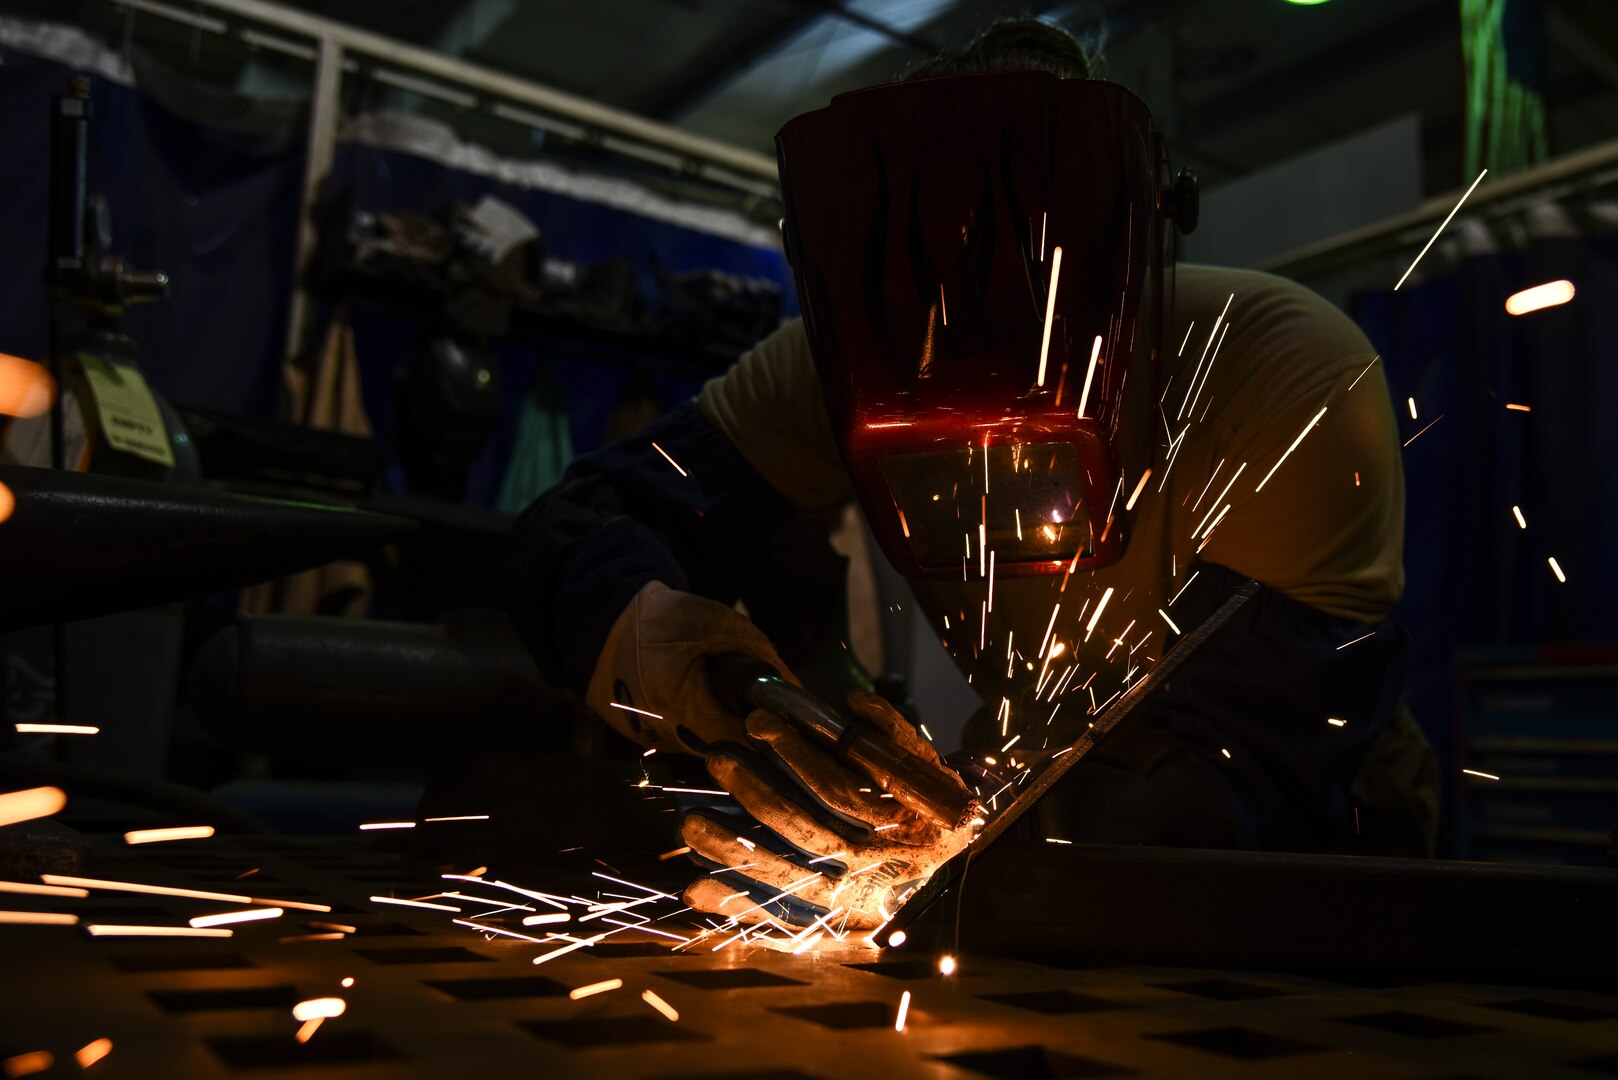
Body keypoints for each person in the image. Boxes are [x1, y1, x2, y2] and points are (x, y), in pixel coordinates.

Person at [506, 20, 1439, 930]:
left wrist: (903, 872)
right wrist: (698, 673)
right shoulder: (841, 371)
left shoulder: (1281, 368)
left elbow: (1218, 778)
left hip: (1304, 835)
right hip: (1038, 803)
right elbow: (580, 522)